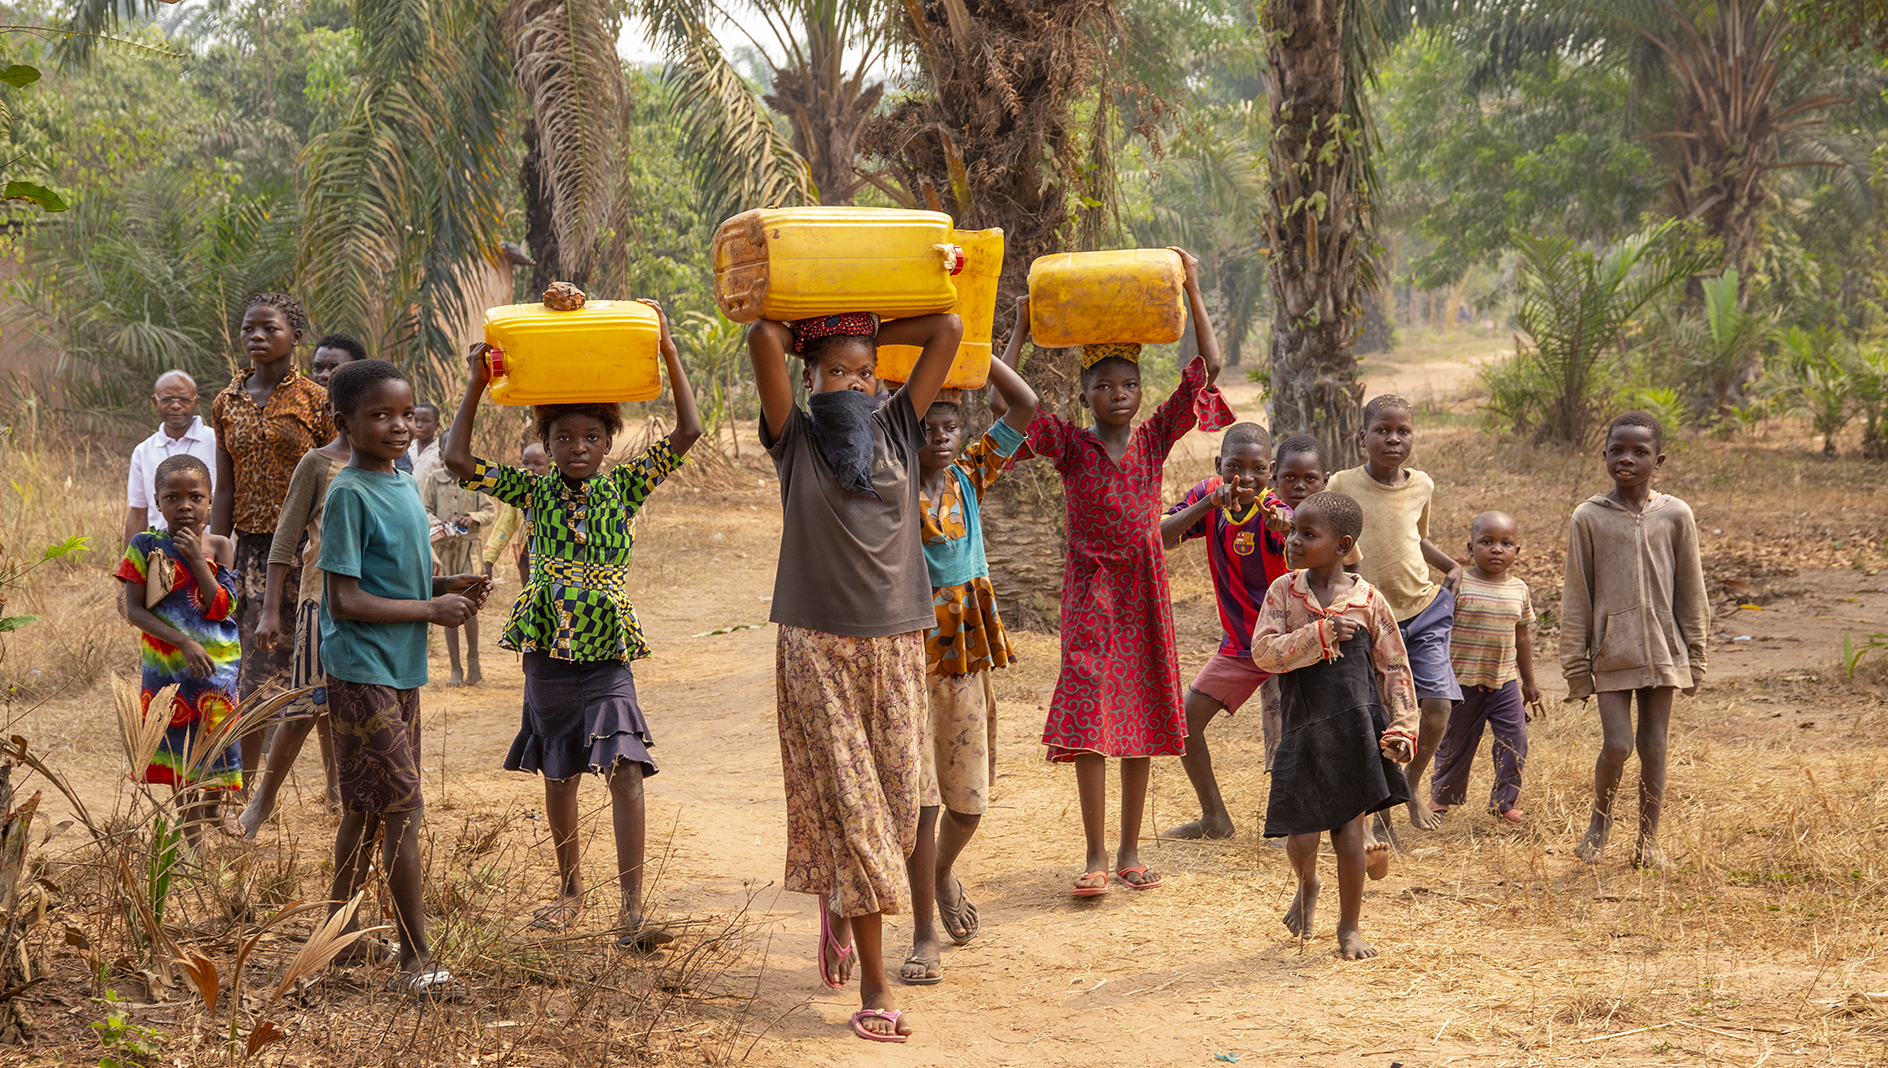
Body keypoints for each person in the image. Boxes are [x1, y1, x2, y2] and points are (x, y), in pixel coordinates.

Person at [444, 300, 701, 951]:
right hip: (548, 649)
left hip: (608, 649)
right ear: (547, 444)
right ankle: (569, 891)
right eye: (563, 438)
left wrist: (667, 349)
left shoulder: (628, 486)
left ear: (608, 440)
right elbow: (456, 460)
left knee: (626, 765)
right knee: (558, 769)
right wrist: (477, 381)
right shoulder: (534, 491)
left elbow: (689, 432)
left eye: (589, 437)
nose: (577, 448)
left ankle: (633, 906)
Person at [748, 305, 964, 1044]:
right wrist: (813, 333)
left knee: (900, 811)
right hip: (816, 649)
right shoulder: (796, 441)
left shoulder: (900, 425)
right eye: (836, 372)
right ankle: (875, 986)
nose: (855, 384)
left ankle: (840, 903)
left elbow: (950, 329)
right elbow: (760, 339)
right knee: (861, 816)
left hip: (898, 646)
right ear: (809, 381)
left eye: (866, 373)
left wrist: (867, 336)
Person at [1017, 248, 1233, 898]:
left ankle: (1131, 852)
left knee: (1136, 724)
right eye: (1106, 386)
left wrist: (1192, 284)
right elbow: (1015, 403)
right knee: (1088, 723)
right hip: (1089, 601)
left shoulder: (1151, 440)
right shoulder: (1068, 446)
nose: (1119, 395)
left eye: (1129, 385)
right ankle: (1093, 856)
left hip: (1143, 601)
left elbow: (1209, 368)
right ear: (1084, 393)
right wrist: (1024, 327)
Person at [318, 358, 488, 996]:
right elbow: (345, 600)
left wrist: (449, 587)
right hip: (361, 669)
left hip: (398, 669)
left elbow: (399, 580)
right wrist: (431, 609)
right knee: (403, 811)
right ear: (346, 424)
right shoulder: (349, 493)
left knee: (366, 809)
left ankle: (334, 937)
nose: (397, 426)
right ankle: (417, 958)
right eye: (379, 416)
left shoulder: (400, 485)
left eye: (404, 413)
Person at [897, 299, 1039, 987]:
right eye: (929, 427)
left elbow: (1026, 406)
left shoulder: (968, 477)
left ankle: (945, 871)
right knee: (919, 796)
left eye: (952, 426)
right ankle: (923, 929)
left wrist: (980, 354)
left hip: (966, 652)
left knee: (966, 800)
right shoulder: (892, 489)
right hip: (907, 652)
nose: (944, 437)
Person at [1250, 491, 1417, 960]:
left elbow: (1395, 668)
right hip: (1302, 732)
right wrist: (1319, 634)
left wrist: (1403, 727)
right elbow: (1263, 653)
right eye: (1292, 532)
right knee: (1301, 836)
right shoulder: (1283, 592)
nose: (1293, 541)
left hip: (1355, 732)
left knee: (1348, 834)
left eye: (1308, 534)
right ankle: (1308, 885)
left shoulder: (1368, 601)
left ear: (1343, 545)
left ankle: (1349, 927)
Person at [235, 333, 369, 836]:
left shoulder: (391, 467)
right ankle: (261, 802)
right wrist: (271, 609)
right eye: (322, 369)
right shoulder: (316, 463)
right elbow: (284, 541)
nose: (326, 377)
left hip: (372, 607)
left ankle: (346, 797)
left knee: (353, 706)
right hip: (320, 601)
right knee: (306, 702)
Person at [1562, 411, 1708, 871]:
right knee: (1619, 744)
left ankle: (1649, 841)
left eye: (1639, 452)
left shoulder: (1676, 515)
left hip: (1664, 651)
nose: (1627, 459)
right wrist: (1575, 666)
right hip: (1611, 651)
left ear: (1657, 460)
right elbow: (1577, 593)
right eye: (1618, 450)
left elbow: (1691, 588)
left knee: (1655, 746)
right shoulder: (1588, 517)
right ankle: (1599, 822)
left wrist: (1696, 654)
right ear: (1604, 454)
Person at [211, 293, 331, 789]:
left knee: (319, 671)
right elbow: (225, 487)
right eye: (248, 329)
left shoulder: (317, 401)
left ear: (295, 337)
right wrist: (216, 551)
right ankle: (247, 792)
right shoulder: (226, 402)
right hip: (253, 556)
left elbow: (335, 474)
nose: (256, 337)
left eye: (269, 328)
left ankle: (336, 786)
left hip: (312, 551)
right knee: (254, 676)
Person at [1327, 395, 1463, 832]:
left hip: (1422, 608)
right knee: (1378, 714)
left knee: (1438, 705)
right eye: (1382, 430)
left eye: (1403, 431)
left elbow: (1416, 538)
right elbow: (1331, 540)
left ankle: (1412, 784)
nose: (1393, 438)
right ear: (1361, 437)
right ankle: (1378, 803)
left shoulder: (1422, 485)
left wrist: (1452, 566)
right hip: (1371, 617)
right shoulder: (1342, 484)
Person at [1157, 421, 1288, 840]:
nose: (1245, 478)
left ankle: (1297, 823)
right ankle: (1215, 818)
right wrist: (1209, 504)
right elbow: (1161, 534)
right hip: (1240, 647)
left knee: (1294, 739)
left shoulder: (1275, 507)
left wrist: (1284, 526)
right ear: (1219, 465)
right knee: (1183, 725)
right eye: (1235, 467)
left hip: (1290, 646)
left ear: (1270, 471)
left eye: (1257, 469)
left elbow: (1289, 527)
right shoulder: (1207, 495)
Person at [114, 454, 241, 850]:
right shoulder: (146, 546)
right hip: (167, 669)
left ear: (210, 499)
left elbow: (222, 606)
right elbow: (134, 609)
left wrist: (195, 559)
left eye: (195, 497)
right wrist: (182, 642)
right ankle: (193, 837)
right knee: (179, 753)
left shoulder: (219, 545)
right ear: (157, 500)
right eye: (173, 497)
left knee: (220, 744)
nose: (185, 505)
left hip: (216, 670)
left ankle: (214, 808)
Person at [1429, 511, 1541, 824]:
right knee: (1455, 744)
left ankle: (1504, 803)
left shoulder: (1519, 589)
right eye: (1487, 542)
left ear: (1517, 551)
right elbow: (1439, 632)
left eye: (1506, 543)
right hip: (1461, 682)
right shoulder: (1458, 584)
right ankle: (1441, 800)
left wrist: (1529, 684)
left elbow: (1522, 639)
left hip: (1504, 682)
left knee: (1515, 742)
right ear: (1470, 548)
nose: (1496, 549)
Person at [421, 443, 496, 687]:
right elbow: (425, 510)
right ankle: (455, 667)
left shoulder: (473, 478)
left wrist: (472, 518)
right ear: (441, 453)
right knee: (447, 606)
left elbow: (489, 511)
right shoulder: (434, 479)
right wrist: (441, 524)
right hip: (443, 550)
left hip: (469, 550)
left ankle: (473, 657)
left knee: (470, 603)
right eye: (446, 449)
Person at [125, 371, 219, 547]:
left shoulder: (218, 443)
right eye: (167, 399)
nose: (176, 406)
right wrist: (129, 564)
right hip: (160, 555)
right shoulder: (143, 451)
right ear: (155, 401)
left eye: (184, 399)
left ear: (196, 402)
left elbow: (228, 497)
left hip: (209, 554)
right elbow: (138, 513)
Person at [482, 443, 552, 588]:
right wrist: (488, 560)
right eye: (525, 463)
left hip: (552, 559)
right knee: (529, 596)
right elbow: (503, 529)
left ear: (549, 468)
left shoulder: (556, 494)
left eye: (537, 464)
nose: (530, 468)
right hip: (527, 556)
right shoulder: (518, 496)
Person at [407, 401, 442, 483]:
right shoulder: (407, 447)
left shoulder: (441, 450)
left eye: (425, 421)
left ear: (436, 425)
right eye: (415, 420)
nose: (419, 425)